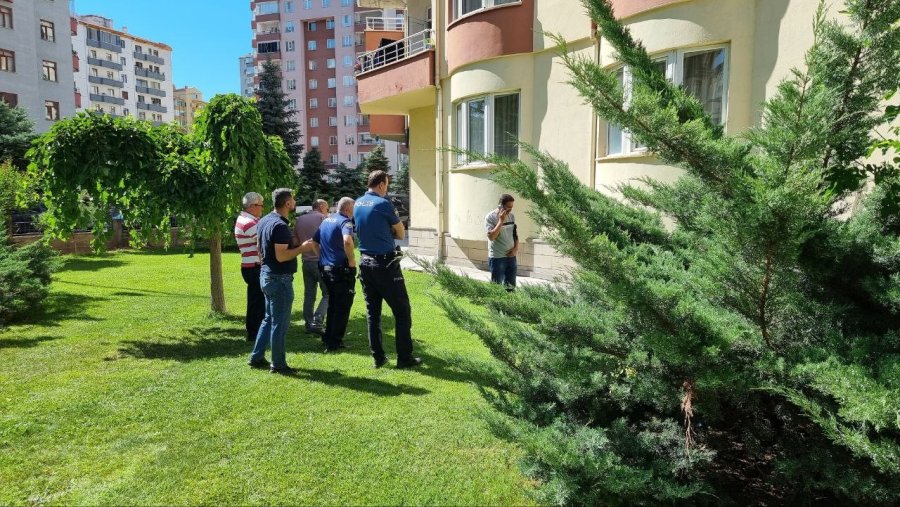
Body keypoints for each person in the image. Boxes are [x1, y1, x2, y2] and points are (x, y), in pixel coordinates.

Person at [354, 170, 422, 369]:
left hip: (365, 263)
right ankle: (404, 358)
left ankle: (378, 357)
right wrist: (390, 230)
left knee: (372, 313)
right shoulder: (383, 203)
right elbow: (400, 232)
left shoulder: (358, 202)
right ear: (382, 184)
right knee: (402, 311)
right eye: (387, 185)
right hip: (385, 265)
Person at [248, 188, 315, 374]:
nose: (294, 202)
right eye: (293, 199)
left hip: (266, 275)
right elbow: (282, 256)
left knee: (268, 319)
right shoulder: (279, 226)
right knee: (280, 323)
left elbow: (259, 248)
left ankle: (256, 357)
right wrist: (303, 248)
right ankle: (278, 364)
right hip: (279, 280)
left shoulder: (263, 221)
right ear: (287, 203)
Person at [308, 197, 356, 352]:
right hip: (340, 270)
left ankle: (328, 337)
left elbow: (314, 242)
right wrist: (352, 260)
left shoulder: (327, 220)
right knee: (342, 306)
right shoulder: (345, 222)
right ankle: (335, 342)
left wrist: (321, 257)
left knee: (333, 305)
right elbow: (347, 241)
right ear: (348, 209)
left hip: (325, 268)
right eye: (353, 209)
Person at [294, 199, 329, 335]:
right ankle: (317, 320)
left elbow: (295, 240)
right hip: (320, 261)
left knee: (309, 295)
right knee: (328, 293)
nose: (327, 211)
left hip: (306, 262)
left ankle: (308, 324)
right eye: (326, 208)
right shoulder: (323, 218)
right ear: (321, 207)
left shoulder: (300, 219)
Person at [235, 192, 265, 342]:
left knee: (257, 300)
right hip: (254, 266)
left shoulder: (247, 220)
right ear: (252, 206)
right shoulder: (249, 223)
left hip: (250, 266)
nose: (262, 208)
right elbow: (264, 243)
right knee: (257, 302)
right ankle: (254, 333)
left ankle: (256, 331)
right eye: (261, 205)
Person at [485, 194, 519, 290]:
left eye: (512, 207)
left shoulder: (512, 216)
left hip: (511, 256)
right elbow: (492, 237)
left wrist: (516, 249)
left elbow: (515, 235)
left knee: (511, 287)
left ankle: (509, 305)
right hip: (497, 258)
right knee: (496, 288)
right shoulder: (490, 217)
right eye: (508, 207)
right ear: (500, 205)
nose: (510, 210)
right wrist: (501, 221)